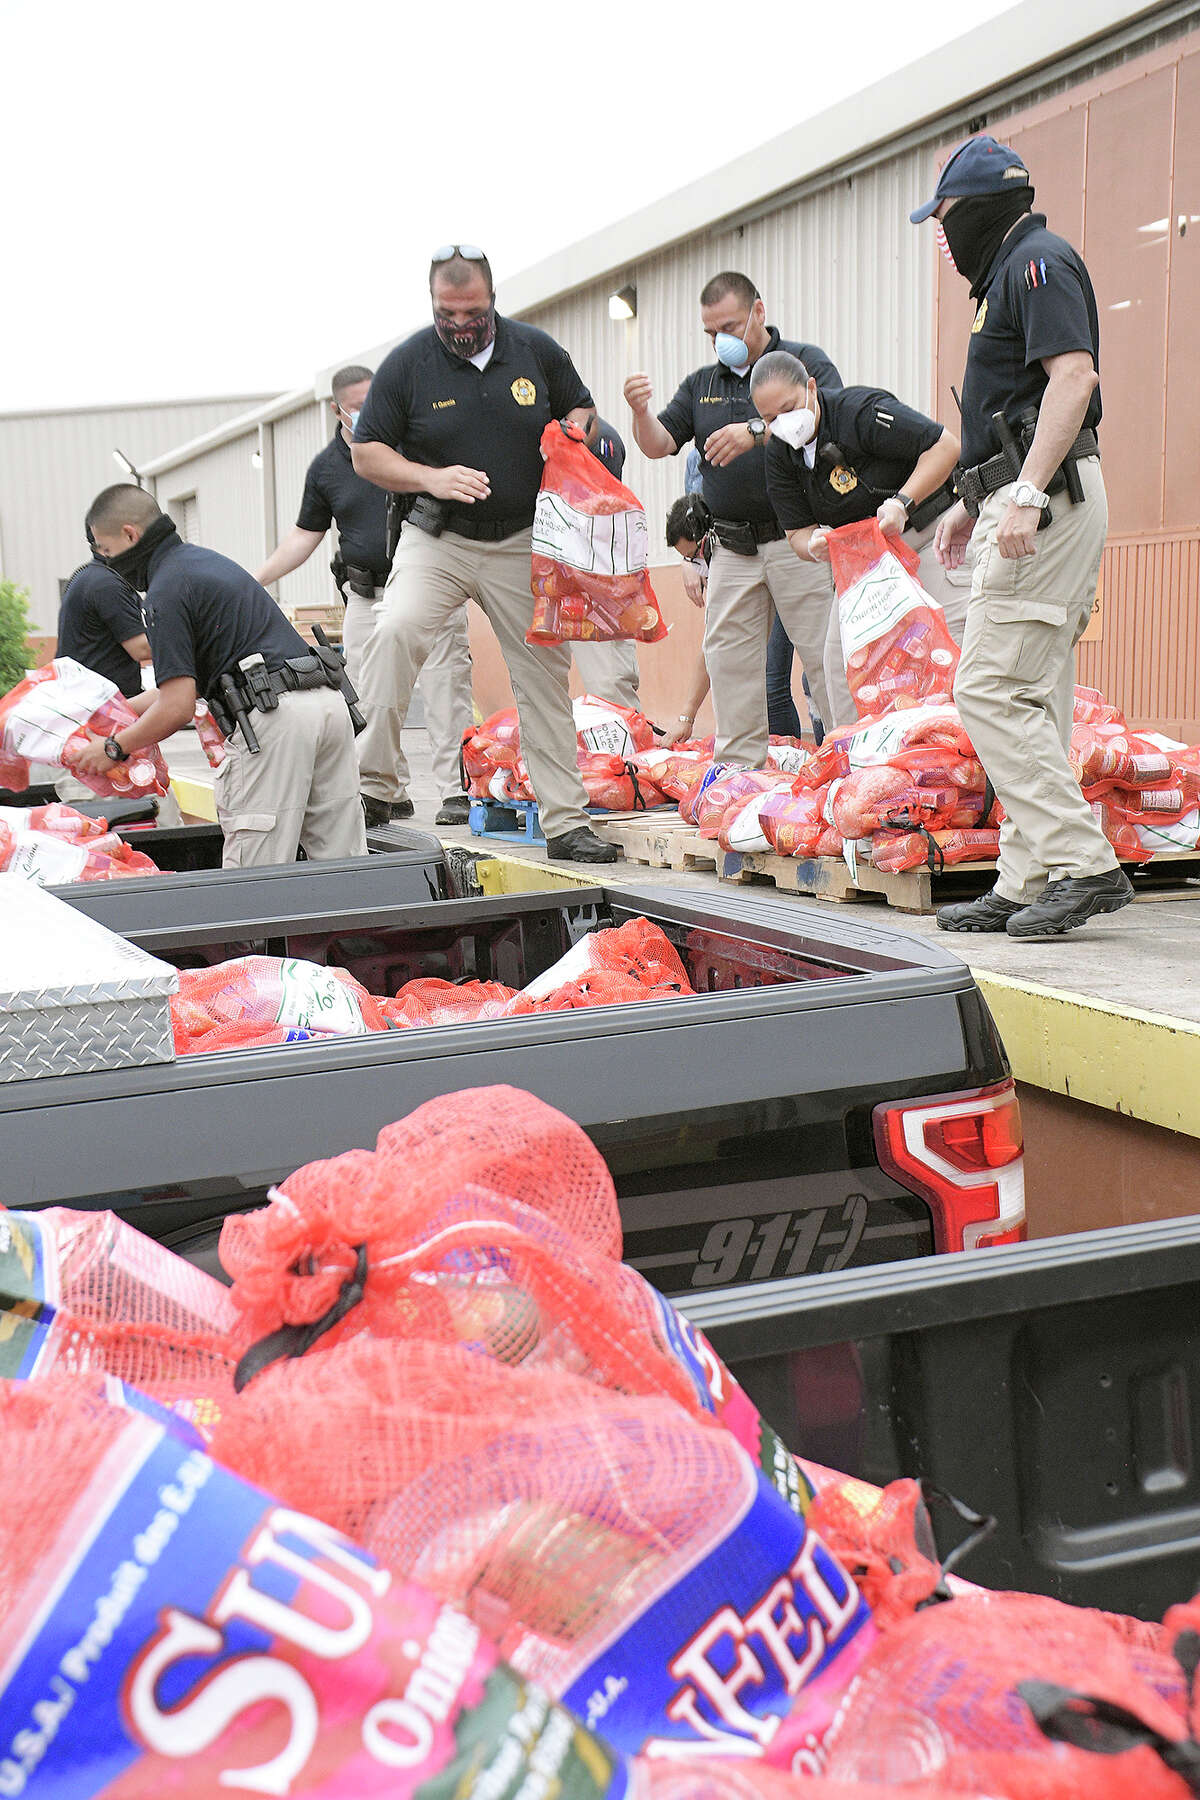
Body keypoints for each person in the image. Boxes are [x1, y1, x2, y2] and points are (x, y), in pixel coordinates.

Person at [911, 133, 1132, 939]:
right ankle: (1029, 874)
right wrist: (979, 497)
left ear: (978, 210)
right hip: (1033, 494)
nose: (940, 237)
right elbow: (1014, 411)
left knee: (990, 689)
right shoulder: (1009, 272)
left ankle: (1083, 864)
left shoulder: (1037, 262)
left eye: (943, 219)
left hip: (1051, 499)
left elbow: (1073, 379)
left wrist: (1029, 492)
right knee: (1030, 692)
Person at [350, 246, 616, 862]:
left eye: (471, 313)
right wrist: (429, 477)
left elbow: (582, 407)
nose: (459, 326)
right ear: (433, 304)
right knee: (394, 633)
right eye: (447, 313)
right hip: (437, 536)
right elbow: (367, 453)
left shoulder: (535, 351)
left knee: (545, 674)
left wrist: (573, 431)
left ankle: (566, 822)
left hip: (519, 539)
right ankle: (378, 785)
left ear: (492, 300)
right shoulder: (408, 364)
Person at [79, 484, 367, 868]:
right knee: (344, 865)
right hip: (326, 704)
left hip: (274, 718)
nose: (107, 563)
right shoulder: (205, 564)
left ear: (130, 535)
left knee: (256, 874)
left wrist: (114, 747)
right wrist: (109, 714)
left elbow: (178, 706)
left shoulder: (165, 590)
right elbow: (184, 684)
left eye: (107, 551)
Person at [624, 272, 842, 765]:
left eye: (729, 326)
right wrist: (640, 412)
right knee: (730, 665)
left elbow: (825, 413)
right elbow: (660, 443)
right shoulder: (703, 385)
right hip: (733, 550)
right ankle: (740, 779)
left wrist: (753, 430)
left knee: (829, 663)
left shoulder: (803, 362)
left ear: (758, 313)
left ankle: (849, 762)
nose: (721, 340)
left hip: (798, 542)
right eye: (710, 332)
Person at [254, 364, 474, 826]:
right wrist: (255, 579)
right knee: (368, 697)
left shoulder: (414, 446)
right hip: (365, 595)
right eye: (357, 405)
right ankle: (385, 788)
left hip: (429, 590)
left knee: (446, 689)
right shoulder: (327, 468)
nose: (369, 411)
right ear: (338, 409)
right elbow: (303, 536)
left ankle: (456, 791)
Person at [751, 350, 964, 723]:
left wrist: (902, 502)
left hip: (926, 535)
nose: (783, 424)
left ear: (811, 388)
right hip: (864, 562)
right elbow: (797, 533)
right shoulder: (781, 454)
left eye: (788, 409)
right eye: (770, 419)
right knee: (840, 665)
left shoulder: (859, 411)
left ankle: (961, 762)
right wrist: (814, 544)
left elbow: (945, 446)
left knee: (952, 653)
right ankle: (857, 767)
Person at [54, 538, 183, 823]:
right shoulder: (107, 584)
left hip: (95, 726)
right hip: (101, 733)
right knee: (150, 826)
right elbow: (142, 648)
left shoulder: (90, 578)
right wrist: (190, 635)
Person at [570, 411, 642, 712]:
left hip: (600, 568)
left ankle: (624, 750)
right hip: (585, 567)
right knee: (613, 678)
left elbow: (603, 509)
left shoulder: (601, 439)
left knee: (611, 681)